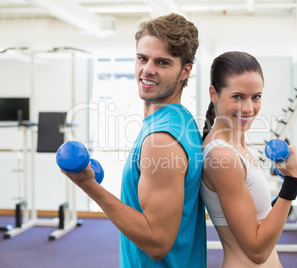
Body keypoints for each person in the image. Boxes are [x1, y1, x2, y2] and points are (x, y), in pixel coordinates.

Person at [60, 13, 206, 267]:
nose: (147, 70)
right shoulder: (179, 120)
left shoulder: (161, 139)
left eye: (162, 62)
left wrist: (89, 186)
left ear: (185, 71)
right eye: (142, 58)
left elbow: (157, 243)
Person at [200, 51, 297, 267]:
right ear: (214, 94)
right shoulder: (222, 157)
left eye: (256, 97)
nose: (248, 108)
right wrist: (292, 181)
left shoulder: (235, 145)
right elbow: (257, 250)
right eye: (237, 97)